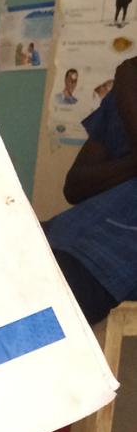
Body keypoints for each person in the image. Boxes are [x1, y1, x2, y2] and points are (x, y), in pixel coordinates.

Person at [46, 56, 137, 324]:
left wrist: (128, 82)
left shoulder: (129, 87)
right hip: (66, 238)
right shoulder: (126, 95)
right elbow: (75, 186)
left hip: (111, 261)